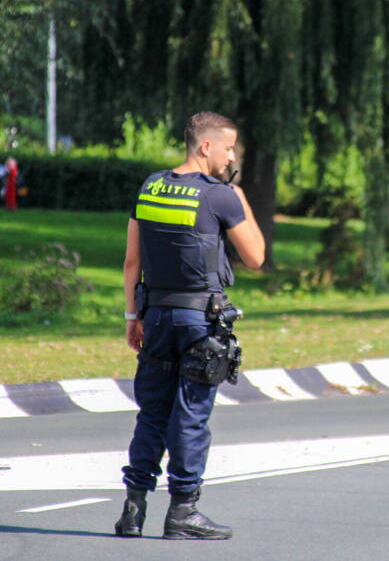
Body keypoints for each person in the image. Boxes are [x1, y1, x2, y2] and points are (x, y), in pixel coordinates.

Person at [115, 112, 264, 540]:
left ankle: (133, 510)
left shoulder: (152, 186)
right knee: (191, 417)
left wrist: (132, 316)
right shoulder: (221, 196)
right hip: (200, 322)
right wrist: (238, 196)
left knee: (153, 413)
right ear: (206, 147)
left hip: (156, 316)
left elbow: (132, 261)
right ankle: (183, 512)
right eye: (229, 147)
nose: (232, 154)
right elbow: (255, 257)